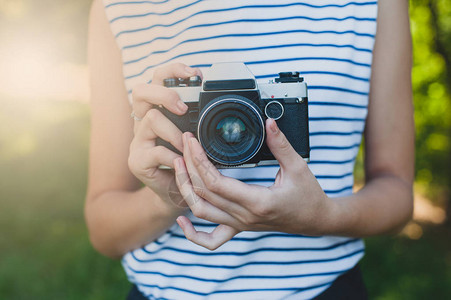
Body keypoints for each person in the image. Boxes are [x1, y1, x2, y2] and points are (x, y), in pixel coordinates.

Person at [85, 0, 414, 299]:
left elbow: (397, 195)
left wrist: (323, 217)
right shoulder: (119, 6)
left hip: (324, 289)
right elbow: (104, 232)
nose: (233, 130)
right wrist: (173, 193)